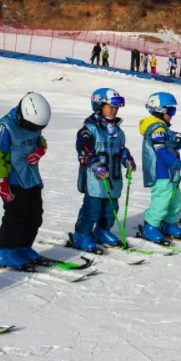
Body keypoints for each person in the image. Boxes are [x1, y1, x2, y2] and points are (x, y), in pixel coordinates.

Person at [0, 92, 52, 270]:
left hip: (31, 177)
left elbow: (41, 140)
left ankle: (23, 247)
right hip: (12, 180)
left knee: (35, 214)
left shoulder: (34, 124)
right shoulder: (4, 127)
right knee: (16, 215)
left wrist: (40, 150)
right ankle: (6, 251)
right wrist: (1, 181)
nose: (34, 129)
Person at [70, 88, 135, 253]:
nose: (114, 110)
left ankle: (102, 231)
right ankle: (81, 234)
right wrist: (94, 164)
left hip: (113, 178)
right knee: (92, 209)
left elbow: (121, 149)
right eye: (110, 106)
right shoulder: (90, 129)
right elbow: (83, 151)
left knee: (111, 209)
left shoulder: (118, 132)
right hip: (96, 180)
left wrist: (127, 159)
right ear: (98, 105)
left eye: (116, 107)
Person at [138, 92, 181, 244]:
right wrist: (177, 163)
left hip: (170, 172)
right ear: (159, 110)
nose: (172, 114)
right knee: (162, 200)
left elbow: (169, 145)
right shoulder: (156, 128)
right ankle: (150, 226)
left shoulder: (163, 128)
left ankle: (169, 224)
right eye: (170, 110)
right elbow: (160, 150)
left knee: (176, 201)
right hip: (160, 171)